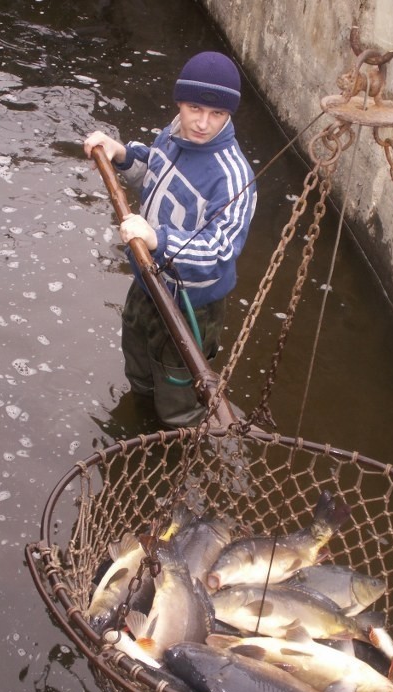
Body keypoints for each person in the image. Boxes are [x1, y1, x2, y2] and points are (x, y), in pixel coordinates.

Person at [83, 50, 257, 428]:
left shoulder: (232, 177)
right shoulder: (174, 132)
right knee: (139, 360)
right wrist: (122, 154)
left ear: (229, 115)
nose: (203, 123)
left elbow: (221, 248)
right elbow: (153, 167)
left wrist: (158, 238)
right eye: (195, 108)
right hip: (147, 279)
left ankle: (180, 450)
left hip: (191, 303)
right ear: (179, 102)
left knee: (180, 396)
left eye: (217, 115)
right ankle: (140, 416)